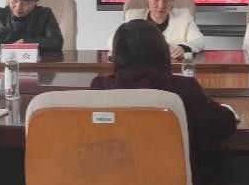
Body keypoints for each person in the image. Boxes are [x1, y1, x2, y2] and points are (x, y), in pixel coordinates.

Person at [93, 19, 237, 146]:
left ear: (118, 55)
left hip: (116, 167)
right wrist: (226, 110)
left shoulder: (101, 88)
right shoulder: (182, 88)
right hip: (173, 169)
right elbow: (224, 126)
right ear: (161, 51)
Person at [120, 0, 205, 59]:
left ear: (173, 0)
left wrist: (184, 48)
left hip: (172, 66)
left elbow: (199, 40)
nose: (161, 6)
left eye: (167, 0)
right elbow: (116, 42)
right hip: (140, 65)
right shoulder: (133, 16)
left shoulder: (184, 17)